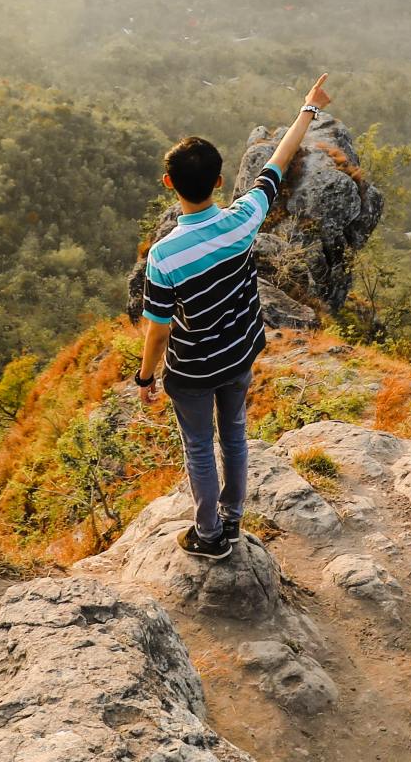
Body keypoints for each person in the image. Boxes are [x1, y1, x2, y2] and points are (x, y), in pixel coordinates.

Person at [134, 73, 333, 559]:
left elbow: (158, 331)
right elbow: (277, 162)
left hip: (194, 370)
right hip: (240, 354)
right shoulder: (244, 218)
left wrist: (145, 379)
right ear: (220, 181)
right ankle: (233, 520)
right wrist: (308, 108)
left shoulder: (165, 256)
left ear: (168, 184)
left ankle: (208, 535)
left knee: (200, 447)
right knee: (235, 435)